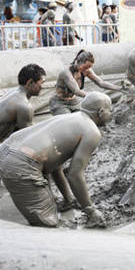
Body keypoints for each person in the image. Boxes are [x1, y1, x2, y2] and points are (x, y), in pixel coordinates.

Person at [0, 92, 113, 228]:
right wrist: (90, 210)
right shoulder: (92, 131)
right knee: (49, 225)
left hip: (7, 149)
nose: (111, 113)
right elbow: (75, 175)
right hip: (21, 163)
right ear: (100, 112)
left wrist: (68, 199)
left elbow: (56, 166)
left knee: (49, 210)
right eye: (110, 110)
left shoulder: (67, 118)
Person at [49, 50, 124, 115]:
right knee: (69, 122)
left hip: (74, 101)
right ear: (77, 62)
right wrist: (97, 96)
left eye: (89, 68)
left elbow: (101, 83)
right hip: (59, 103)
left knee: (86, 119)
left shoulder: (86, 70)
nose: (87, 70)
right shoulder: (66, 73)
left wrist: (119, 88)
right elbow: (77, 91)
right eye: (85, 67)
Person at [0, 64, 46, 142]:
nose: (42, 87)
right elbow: (28, 138)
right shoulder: (24, 106)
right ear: (30, 82)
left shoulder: (13, 92)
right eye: (41, 83)